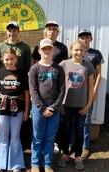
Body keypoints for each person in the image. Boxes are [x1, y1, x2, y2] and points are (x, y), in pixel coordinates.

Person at [29, 38, 65, 172]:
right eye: (44, 49)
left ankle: (48, 165)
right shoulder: (34, 68)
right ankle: (35, 164)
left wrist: (54, 107)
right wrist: (42, 108)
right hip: (39, 108)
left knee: (50, 138)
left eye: (49, 48)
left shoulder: (58, 68)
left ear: (53, 50)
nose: (47, 51)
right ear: (39, 51)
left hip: (54, 108)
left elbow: (62, 89)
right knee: (38, 137)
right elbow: (33, 90)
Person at [57, 39, 94, 170]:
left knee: (79, 131)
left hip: (81, 106)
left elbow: (91, 87)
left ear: (84, 51)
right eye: (76, 50)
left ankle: (78, 156)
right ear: (71, 51)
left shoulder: (88, 66)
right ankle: (65, 154)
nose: (78, 52)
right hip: (66, 105)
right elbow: (58, 84)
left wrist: (89, 104)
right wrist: (59, 102)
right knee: (66, 130)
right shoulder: (64, 64)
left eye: (81, 50)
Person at [0, 48, 30, 172]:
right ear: (3, 60)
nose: (9, 61)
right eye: (7, 59)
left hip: (18, 109)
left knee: (15, 136)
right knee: (3, 137)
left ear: (16, 59)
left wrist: (26, 111)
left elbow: (26, 93)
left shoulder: (22, 73)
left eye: (12, 59)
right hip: (2, 109)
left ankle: (16, 165)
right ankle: (0, 164)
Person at [78, 29, 105, 159]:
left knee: (86, 120)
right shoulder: (76, 52)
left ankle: (85, 146)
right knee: (75, 118)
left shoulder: (96, 54)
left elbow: (99, 73)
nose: (84, 39)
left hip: (89, 91)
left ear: (91, 39)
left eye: (86, 37)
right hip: (76, 91)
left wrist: (94, 91)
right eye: (82, 37)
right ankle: (73, 144)